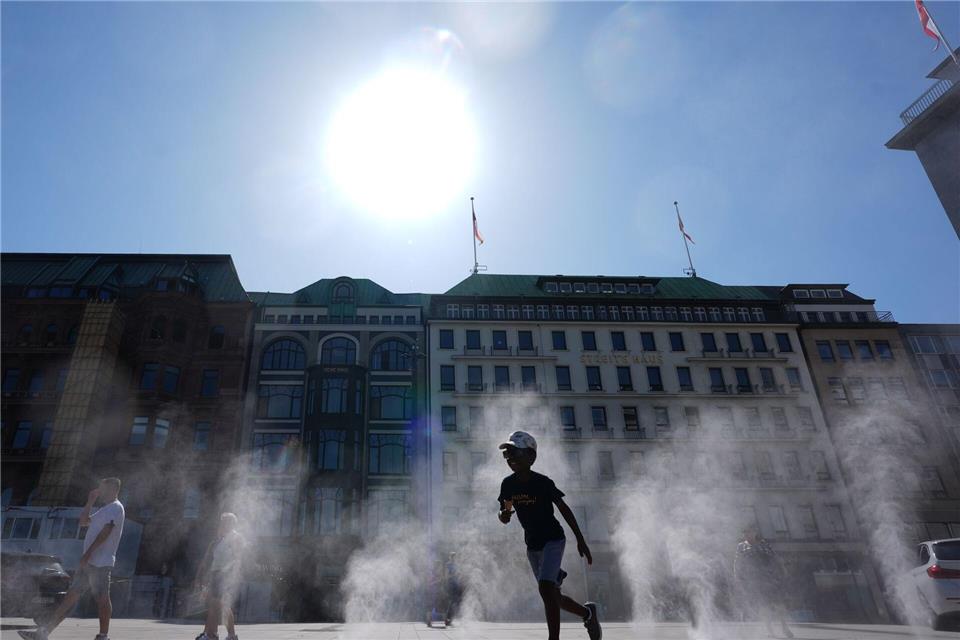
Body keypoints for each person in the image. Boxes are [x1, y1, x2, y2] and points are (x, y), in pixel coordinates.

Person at [497, 430, 602, 640]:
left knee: (545, 588)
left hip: (553, 539)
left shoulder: (543, 483)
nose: (510, 458)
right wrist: (504, 515)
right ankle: (587, 614)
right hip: (532, 546)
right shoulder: (508, 484)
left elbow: (564, 509)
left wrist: (580, 539)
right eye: (507, 454)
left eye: (514, 453)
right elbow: (505, 512)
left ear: (531, 456)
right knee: (552, 595)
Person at [20, 478, 125, 640]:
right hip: (89, 563)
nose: (100, 491)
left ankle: (103, 636)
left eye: (102, 488)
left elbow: (106, 531)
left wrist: (88, 554)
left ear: (112, 489)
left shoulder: (116, 507)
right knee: (70, 598)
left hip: (100, 563)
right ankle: (43, 633)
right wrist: (90, 501)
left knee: (102, 598)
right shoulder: (104, 509)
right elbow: (83, 522)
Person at [193, 513, 246, 640]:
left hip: (225, 574)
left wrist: (232, 575)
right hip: (216, 574)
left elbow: (238, 558)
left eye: (225, 521)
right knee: (215, 605)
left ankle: (222, 635)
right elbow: (212, 561)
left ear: (231, 523)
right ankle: (214, 634)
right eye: (222, 521)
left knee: (221, 605)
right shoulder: (220, 539)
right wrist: (204, 577)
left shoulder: (235, 537)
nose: (222, 524)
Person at [733, 528, 793, 638]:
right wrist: (737, 575)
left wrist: (782, 568)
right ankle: (770, 631)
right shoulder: (741, 546)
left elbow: (775, 557)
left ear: (755, 533)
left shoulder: (764, 544)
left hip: (770, 577)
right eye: (745, 533)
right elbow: (738, 561)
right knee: (763, 605)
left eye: (750, 532)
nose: (747, 535)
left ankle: (785, 627)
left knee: (778, 603)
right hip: (755, 579)